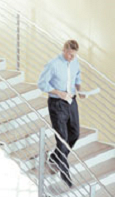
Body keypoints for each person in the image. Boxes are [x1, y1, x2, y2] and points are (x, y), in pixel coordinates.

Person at [37, 40, 84, 188]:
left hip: (71, 102)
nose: (71, 57)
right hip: (57, 104)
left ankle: (55, 156)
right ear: (64, 50)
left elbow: (77, 77)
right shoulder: (53, 64)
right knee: (62, 139)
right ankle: (65, 173)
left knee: (75, 133)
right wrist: (59, 93)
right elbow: (42, 84)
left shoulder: (75, 62)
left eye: (74, 55)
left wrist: (80, 89)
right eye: (70, 54)